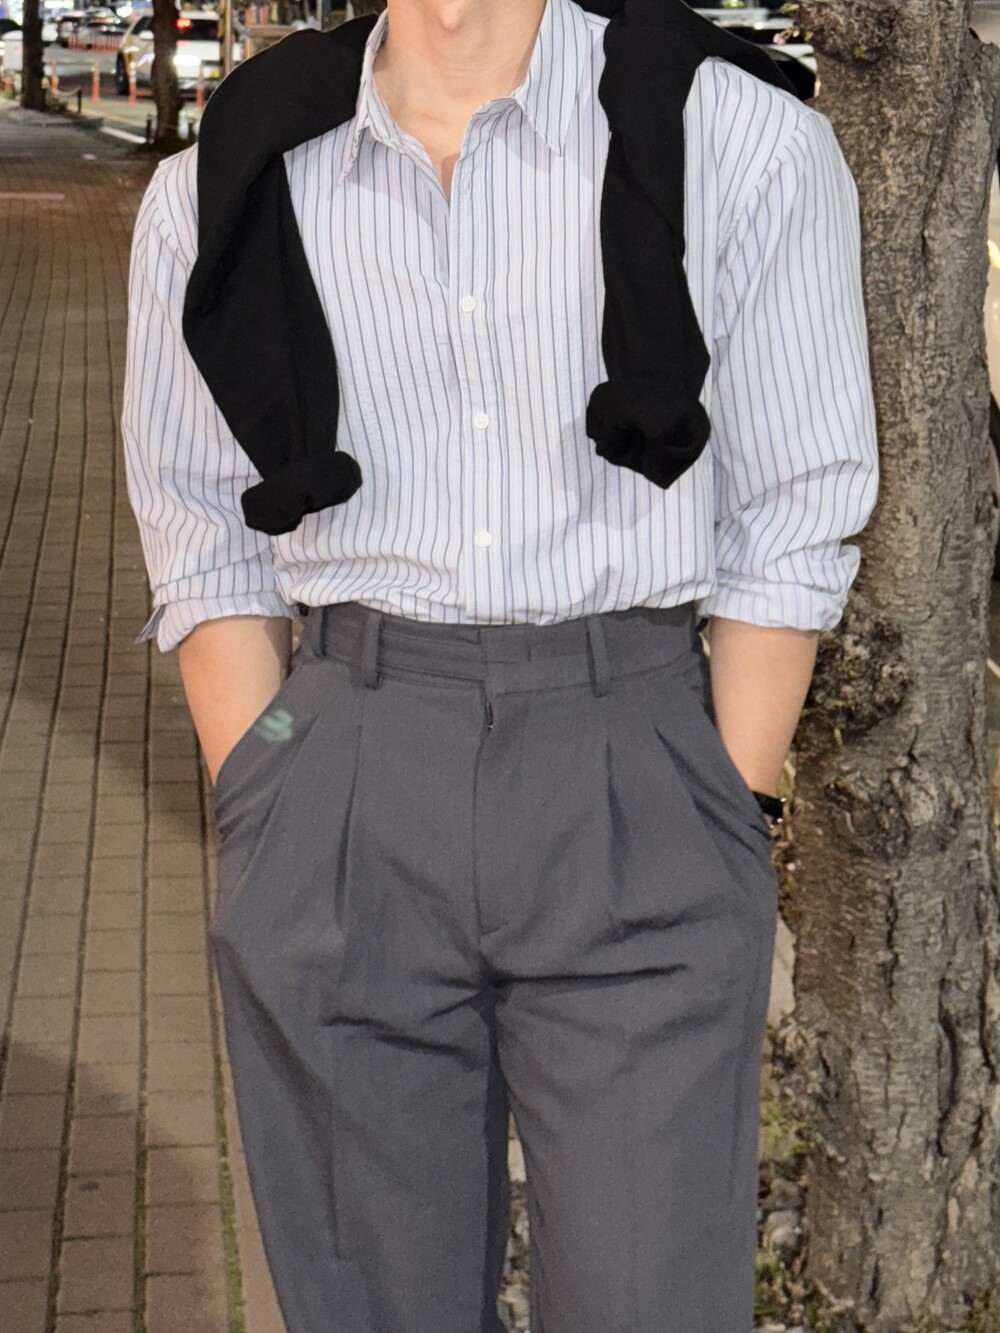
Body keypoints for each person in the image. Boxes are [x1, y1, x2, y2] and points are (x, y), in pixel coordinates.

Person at [121, 0, 879, 1329]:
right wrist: (266, 788)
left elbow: (793, 506)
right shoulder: (228, 180)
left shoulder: (739, 140)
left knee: (651, 1303)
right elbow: (198, 518)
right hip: (341, 762)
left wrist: (729, 802)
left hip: (635, 762)